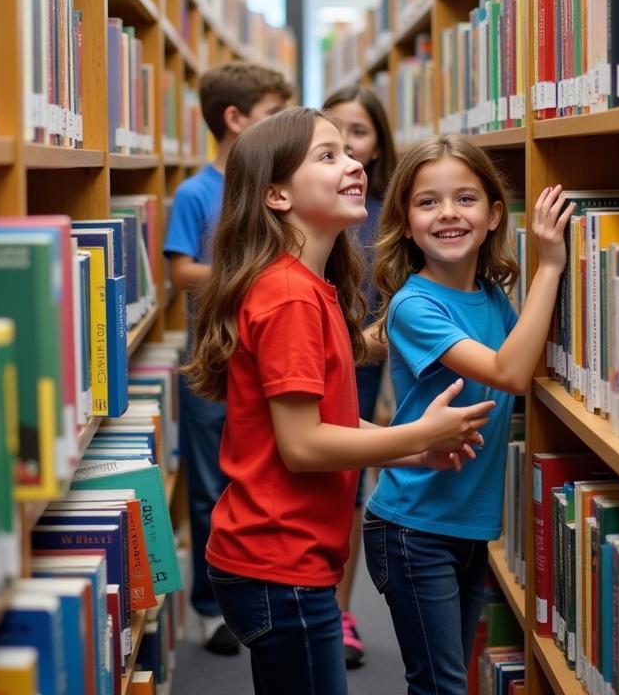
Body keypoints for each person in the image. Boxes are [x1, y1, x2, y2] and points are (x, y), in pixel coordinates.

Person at [182, 107, 496, 695]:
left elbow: (323, 422)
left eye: (349, 153)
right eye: (327, 156)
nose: (352, 163)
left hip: (277, 560)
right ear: (277, 194)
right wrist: (417, 436)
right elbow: (302, 446)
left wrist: (407, 456)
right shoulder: (290, 298)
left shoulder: (308, 286)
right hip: (279, 563)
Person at [363, 135, 573, 695]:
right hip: (413, 526)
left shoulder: (491, 295)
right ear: (405, 223)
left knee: (444, 682)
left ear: (494, 214)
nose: (448, 213)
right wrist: (550, 267)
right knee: (441, 685)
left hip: (467, 527)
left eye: (466, 198)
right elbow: (509, 372)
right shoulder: (414, 305)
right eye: (427, 202)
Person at [162, 61, 292, 655]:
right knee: (211, 481)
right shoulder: (195, 192)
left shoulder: (273, 187)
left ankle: (265, 586)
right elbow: (182, 269)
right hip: (216, 361)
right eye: (270, 115)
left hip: (275, 356)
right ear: (235, 119)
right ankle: (212, 608)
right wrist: (251, 276)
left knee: (271, 470)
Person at [321, 85, 397, 668]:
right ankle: (313, 604)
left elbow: (396, 302)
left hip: (364, 366)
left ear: (377, 147)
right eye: (336, 132)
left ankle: (340, 612)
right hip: (321, 356)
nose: (349, 144)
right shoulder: (321, 211)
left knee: (349, 486)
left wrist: (365, 345)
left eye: (360, 132)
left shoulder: (387, 217)